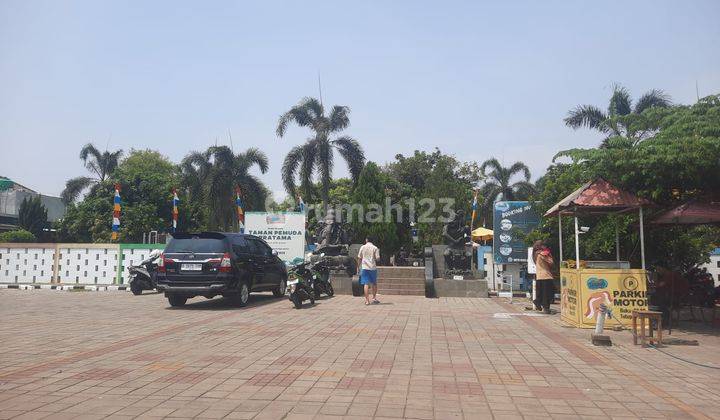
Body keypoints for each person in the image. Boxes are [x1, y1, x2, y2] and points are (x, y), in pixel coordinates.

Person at [533, 240, 555, 314]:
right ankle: (545, 308)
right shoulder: (543, 254)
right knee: (547, 294)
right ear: (542, 246)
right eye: (545, 246)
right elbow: (551, 262)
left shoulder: (535, 254)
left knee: (541, 293)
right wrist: (549, 255)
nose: (546, 247)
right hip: (546, 276)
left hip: (539, 276)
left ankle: (538, 302)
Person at [357, 236, 381, 305]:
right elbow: (378, 259)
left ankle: (367, 301)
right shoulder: (375, 248)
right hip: (372, 268)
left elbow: (359, 258)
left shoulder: (362, 247)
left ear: (366, 240)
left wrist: (358, 266)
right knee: (374, 283)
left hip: (364, 267)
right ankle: (374, 298)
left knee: (366, 284)